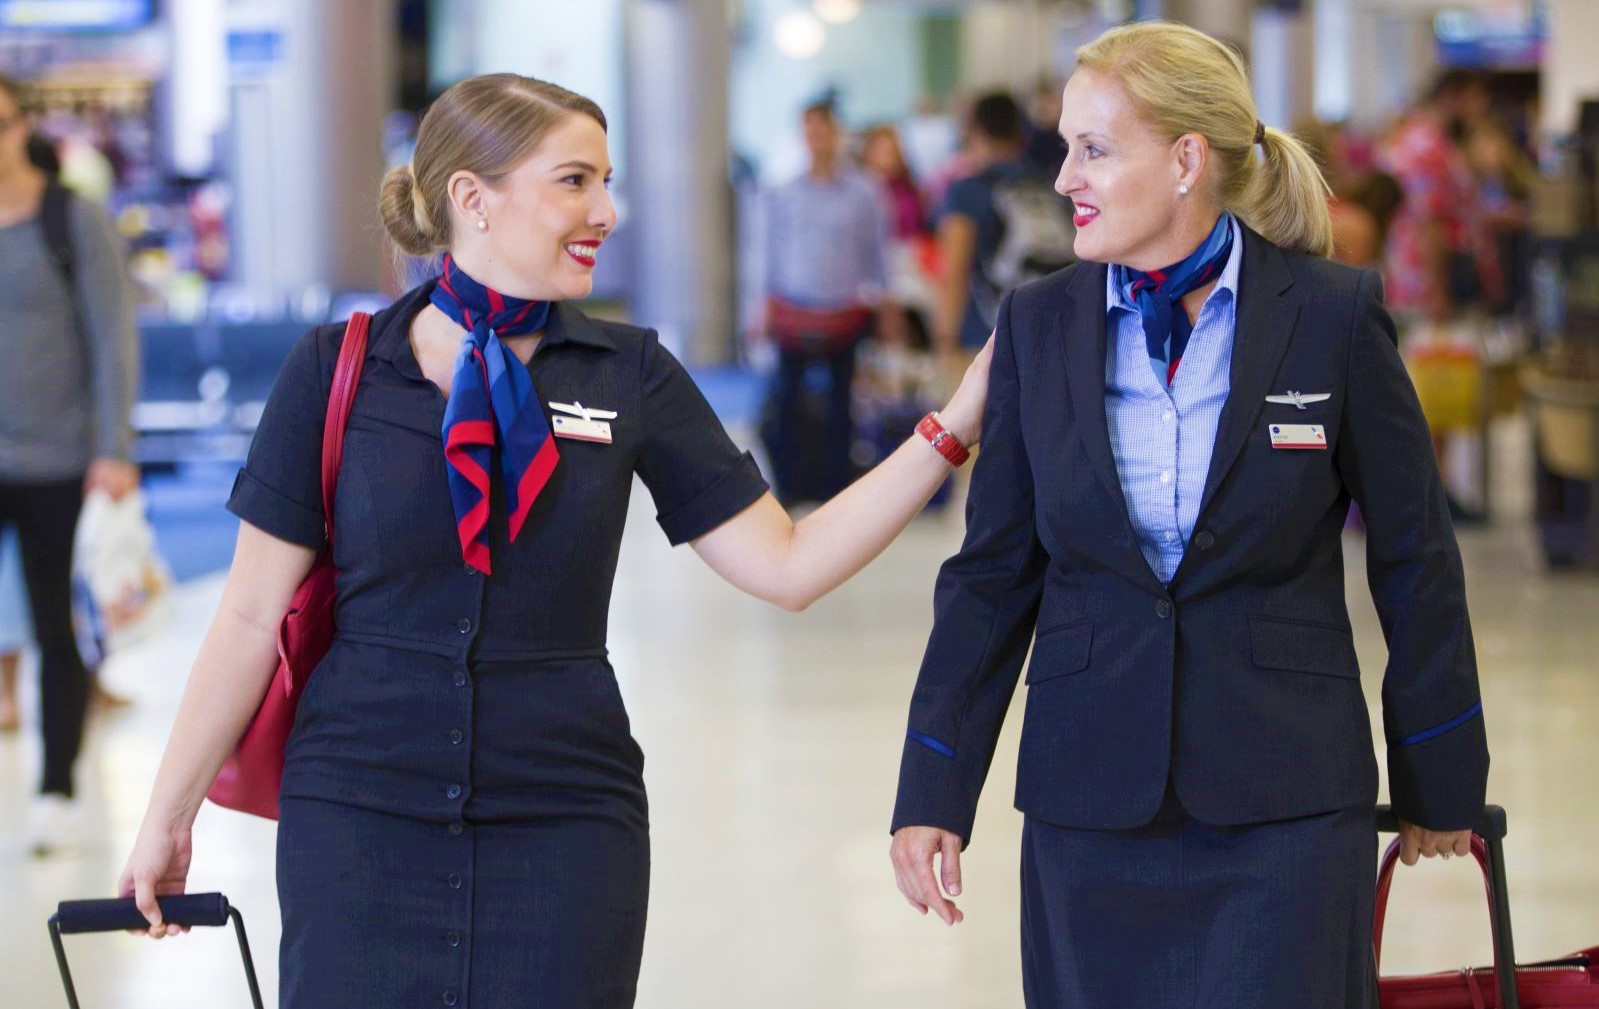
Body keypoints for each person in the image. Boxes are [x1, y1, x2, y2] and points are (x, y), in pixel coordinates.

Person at [118, 74, 993, 1009]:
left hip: (565, 811)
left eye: (606, 181)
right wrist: (169, 815)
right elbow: (249, 616)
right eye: (574, 181)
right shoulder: (338, 367)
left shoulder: (630, 372)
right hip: (357, 808)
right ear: (471, 199)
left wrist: (951, 425)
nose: (607, 211)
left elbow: (788, 564)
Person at [888, 22, 1488, 1009]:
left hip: (1286, 803)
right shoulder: (1037, 325)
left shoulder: (1331, 316)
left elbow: (1416, 556)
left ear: (1184, 161)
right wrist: (933, 791)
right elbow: (992, 575)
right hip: (1089, 802)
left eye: (1095, 149)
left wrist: (1441, 773)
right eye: (1064, 147)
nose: (1065, 178)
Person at [0, 74, 140, 854]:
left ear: (21, 125)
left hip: (58, 457)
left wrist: (113, 449)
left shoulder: (68, 217)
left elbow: (111, 336)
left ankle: (56, 784)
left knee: (59, 626)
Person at [758, 102, 902, 505]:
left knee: (843, 407)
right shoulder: (783, 191)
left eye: (824, 129)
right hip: (794, 310)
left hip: (844, 312)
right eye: (810, 130)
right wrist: (761, 306)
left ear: (837, 134)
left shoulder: (864, 192)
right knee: (786, 403)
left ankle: (838, 489)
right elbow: (767, 252)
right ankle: (788, 487)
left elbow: (879, 253)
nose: (817, 138)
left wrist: (888, 309)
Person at [932, 92, 1074, 375]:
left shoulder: (967, 192)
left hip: (986, 342)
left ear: (974, 132)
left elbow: (955, 271)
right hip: (1054, 337)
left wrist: (944, 341)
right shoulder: (1052, 186)